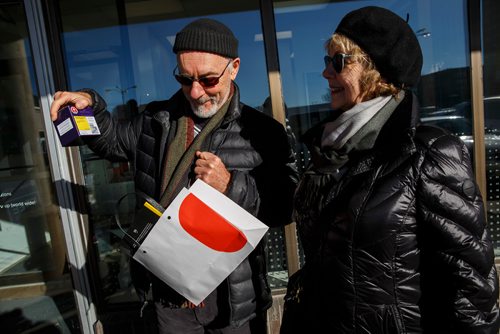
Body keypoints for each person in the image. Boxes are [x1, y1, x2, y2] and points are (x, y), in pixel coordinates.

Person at [50, 18, 298, 334]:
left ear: (233, 68)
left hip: (232, 300)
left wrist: (231, 185)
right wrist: (90, 106)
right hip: (168, 293)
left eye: (208, 80)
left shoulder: (263, 133)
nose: (195, 92)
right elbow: (112, 141)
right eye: (185, 78)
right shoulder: (156, 119)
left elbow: (287, 206)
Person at [281, 6, 499, 334]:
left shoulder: (429, 153)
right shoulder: (330, 151)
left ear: (377, 72)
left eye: (338, 61)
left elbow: (471, 289)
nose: (326, 73)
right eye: (327, 61)